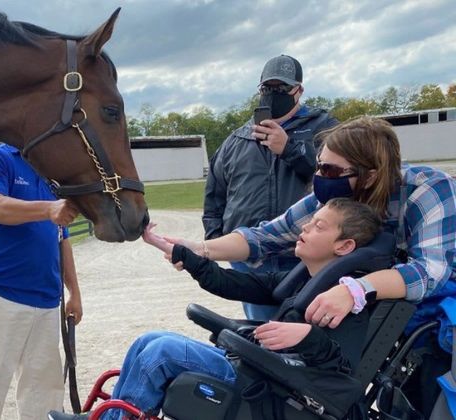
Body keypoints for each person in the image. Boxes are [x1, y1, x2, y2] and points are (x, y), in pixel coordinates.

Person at [178, 116, 456, 417]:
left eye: (331, 170)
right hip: (393, 305)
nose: (320, 176)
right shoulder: (337, 199)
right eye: (320, 166)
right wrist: (200, 250)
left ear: (371, 176)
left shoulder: (427, 191)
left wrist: (356, 290)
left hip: (440, 305)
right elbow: (266, 236)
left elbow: (428, 274)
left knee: (433, 390)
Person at [48, 198, 383, 420]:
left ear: (344, 246)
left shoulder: (344, 298)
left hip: (277, 386)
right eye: (309, 222)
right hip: (259, 367)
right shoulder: (300, 282)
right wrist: (176, 249)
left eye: (319, 227)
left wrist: (308, 336)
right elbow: (229, 283)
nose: (305, 228)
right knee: (149, 339)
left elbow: (342, 368)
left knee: (163, 352)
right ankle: (108, 417)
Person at [204, 54, 339, 322]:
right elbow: (215, 194)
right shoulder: (238, 138)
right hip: (250, 258)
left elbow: (340, 178)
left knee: (306, 328)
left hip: (303, 255)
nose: (272, 94)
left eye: (281, 88)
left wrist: (289, 150)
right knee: (261, 332)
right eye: (267, 88)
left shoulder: (325, 130)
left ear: (298, 90)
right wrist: (216, 238)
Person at [0, 143, 83, 420]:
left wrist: (74, 292)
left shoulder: (49, 172)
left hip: (46, 301)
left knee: (45, 392)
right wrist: (49, 209)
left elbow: (62, 239)